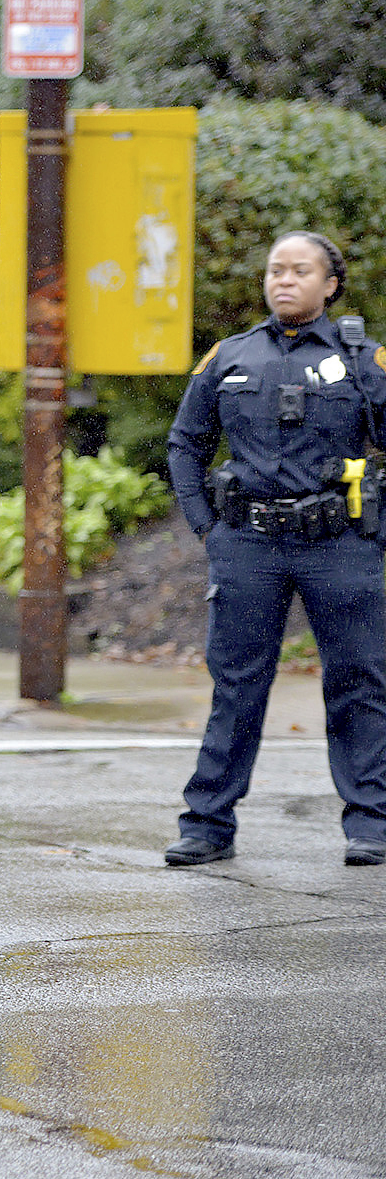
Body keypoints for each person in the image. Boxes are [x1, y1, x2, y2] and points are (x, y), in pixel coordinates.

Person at [163, 230, 386, 869]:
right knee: (236, 686)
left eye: (299, 271)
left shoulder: (366, 363)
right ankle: (207, 824)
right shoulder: (230, 358)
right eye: (275, 271)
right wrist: (207, 526)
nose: (283, 281)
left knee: (359, 684)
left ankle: (370, 822)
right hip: (248, 542)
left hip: (339, 544)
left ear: (330, 284)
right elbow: (186, 443)